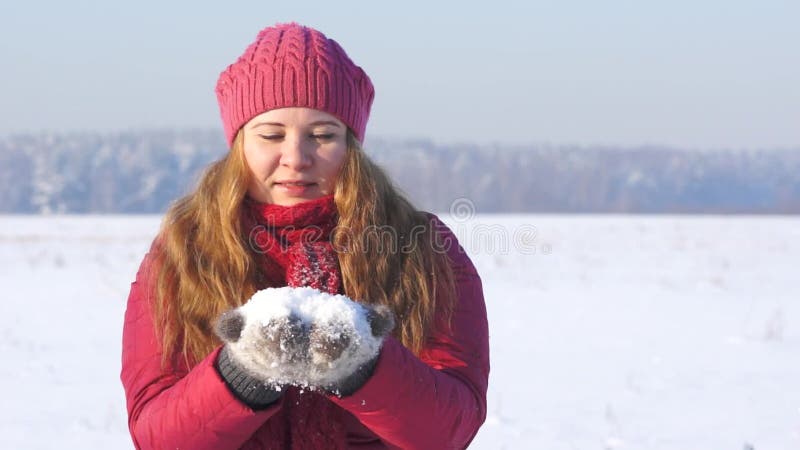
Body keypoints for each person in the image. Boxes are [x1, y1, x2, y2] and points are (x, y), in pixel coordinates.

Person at [120, 22, 489, 450]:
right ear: (239, 144)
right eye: (271, 135)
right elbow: (157, 438)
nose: (296, 158)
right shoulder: (184, 252)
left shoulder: (420, 248)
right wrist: (243, 372)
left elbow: (451, 430)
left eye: (322, 135)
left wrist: (363, 365)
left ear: (351, 145)